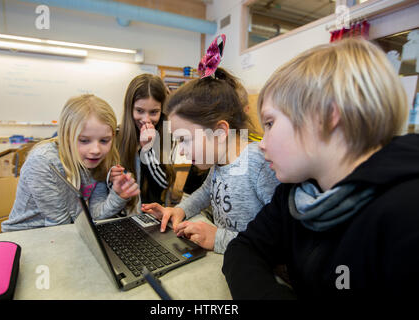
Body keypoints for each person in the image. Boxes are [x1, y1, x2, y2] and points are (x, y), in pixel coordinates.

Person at [222, 38, 419, 299]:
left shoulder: (407, 213)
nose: (262, 144)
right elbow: (243, 249)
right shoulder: (295, 193)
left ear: (325, 116)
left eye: (270, 123)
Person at [140, 35, 279, 255]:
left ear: (220, 131)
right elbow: (205, 193)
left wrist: (218, 238)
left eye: (185, 139)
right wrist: (180, 210)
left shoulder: (257, 163)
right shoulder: (219, 161)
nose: (182, 151)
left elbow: (279, 235)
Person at [2, 94, 140, 232]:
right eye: (84, 140)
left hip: (65, 231)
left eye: (104, 141)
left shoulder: (96, 160)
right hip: (25, 237)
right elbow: (60, 227)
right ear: (66, 136)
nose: (96, 150)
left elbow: (95, 216)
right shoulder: (43, 163)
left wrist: (118, 196)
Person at [114, 74, 174, 213]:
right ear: (130, 108)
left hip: (151, 216)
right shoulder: (116, 136)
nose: (146, 119)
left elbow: (164, 183)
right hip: (122, 216)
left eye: (154, 112)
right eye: (139, 111)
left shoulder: (165, 136)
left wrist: (147, 149)